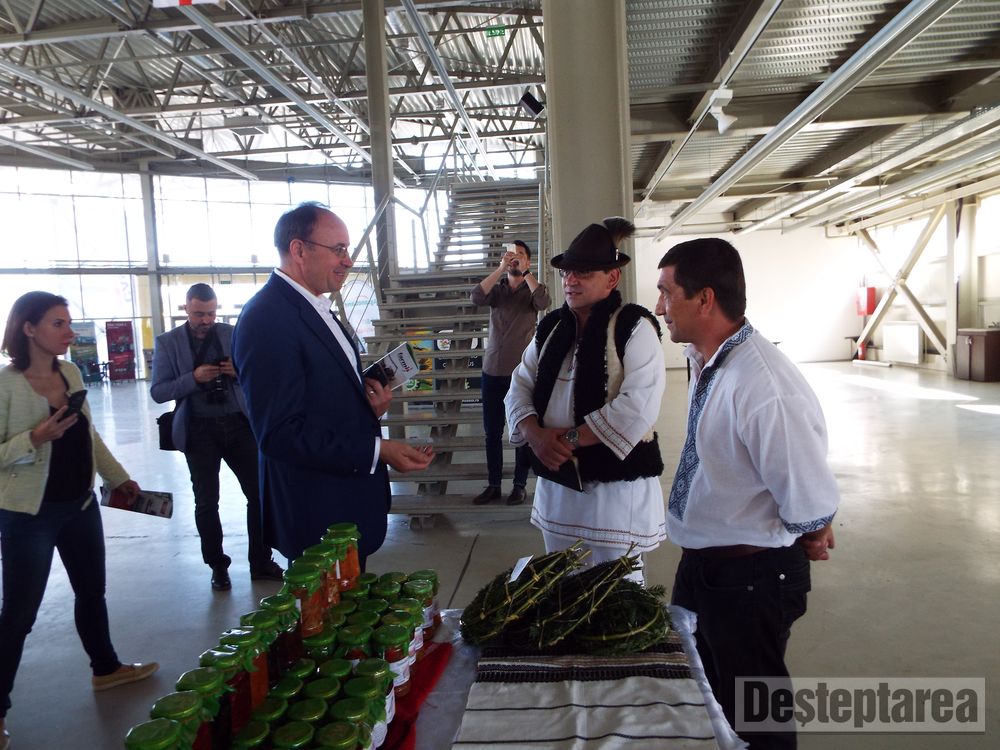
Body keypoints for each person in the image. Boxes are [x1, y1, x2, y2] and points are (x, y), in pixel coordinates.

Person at [655, 238, 839, 750]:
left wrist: (814, 529)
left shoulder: (762, 384)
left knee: (757, 719)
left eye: (666, 292)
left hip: (751, 579)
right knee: (708, 700)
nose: (660, 307)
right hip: (706, 568)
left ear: (704, 299)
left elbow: (807, 497)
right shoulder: (709, 359)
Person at [232, 202, 434, 566]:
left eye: (348, 249)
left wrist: (368, 406)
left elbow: (318, 398)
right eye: (338, 249)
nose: (348, 260)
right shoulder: (268, 319)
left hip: (341, 507)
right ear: (299, 250)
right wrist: (377, 450)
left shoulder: (315, 308)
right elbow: (280, 434)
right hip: (318, 517)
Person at [0, 292, 158, 749]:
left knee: (92, 592)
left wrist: (119, 478)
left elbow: (89, 434)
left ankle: (105, 668)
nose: (69, 332)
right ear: (29, 328)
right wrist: (35, 437)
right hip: (29, 515)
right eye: (59, 324)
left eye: (69, 323)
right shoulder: (6, 385)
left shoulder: (69, 372)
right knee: (19, 615)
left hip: (80, 506)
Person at [504, 223, 666, 577]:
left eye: (584, 273)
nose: (571, 280)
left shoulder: (634, 326)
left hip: (615, 496)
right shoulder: (551, 328)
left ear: (612, 278)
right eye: (566, 272)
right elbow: (519, 384)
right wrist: (534, 434)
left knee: (616, 589)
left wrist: (566, 440)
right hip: (559, 490)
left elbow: (638, 405)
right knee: (562, 583)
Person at [150, 283, 283, 591]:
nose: (206, 320)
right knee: (207, 502)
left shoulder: (232, 334)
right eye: (199, 314)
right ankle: (217, 565)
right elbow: (158, 391)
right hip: (198, 430)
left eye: (211, 313)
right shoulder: (168, 343)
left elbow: (261, 375)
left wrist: (239, 372)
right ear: (186, 308)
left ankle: (260, 561)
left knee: (260, 494)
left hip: (239, 425)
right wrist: (194, 379)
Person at [470, 240, 550, 505]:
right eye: (512, 255)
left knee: (522, 430)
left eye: (521, 255)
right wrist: (500, 268)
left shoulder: (532, 290)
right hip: (492, 370)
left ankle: (519, 485)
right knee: (492, 432)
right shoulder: (497, 290)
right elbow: (476, 297)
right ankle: (493, 484)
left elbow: (544, 301)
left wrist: (526, 272)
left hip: (521, 374)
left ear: (528, 260)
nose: (515, 259)